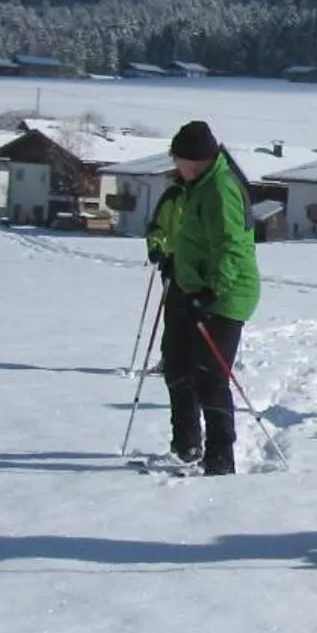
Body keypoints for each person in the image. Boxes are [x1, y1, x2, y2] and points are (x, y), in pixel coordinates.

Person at [162, 120, 261, 476]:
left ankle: (220, 457)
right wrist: (177, 262)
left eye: (179, 160)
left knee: (209, 375)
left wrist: (211, 290)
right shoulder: (197, 184)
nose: (176, 167)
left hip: (224, 295)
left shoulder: (220, 188)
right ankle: (186, 443)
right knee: (175, 365)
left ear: (195, 159)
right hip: (191, 287)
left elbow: (233, 247)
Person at [142, 175, 198, 467]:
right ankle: (184, 441)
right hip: (174, 276)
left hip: (202, 283)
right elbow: (157, 229)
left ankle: (197, 444)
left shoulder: (209, 198)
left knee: (198, 366)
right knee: (176, 359)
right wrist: (157, 248)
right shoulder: (172, 198)